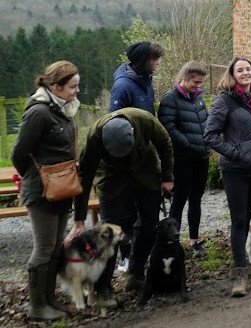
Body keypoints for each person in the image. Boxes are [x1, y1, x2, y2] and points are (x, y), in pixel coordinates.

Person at [67, 107, 173, 304]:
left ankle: (135, 273)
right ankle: (102, 288)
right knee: (107, 232)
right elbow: (85, 176)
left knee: (150, 223)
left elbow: (165, 144)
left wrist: (167, 178)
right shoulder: (94, 138)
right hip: (112, 178)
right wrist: (79, 219)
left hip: (145, 173)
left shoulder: (145, 120)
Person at [12, 61, 80, 321]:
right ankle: (37, 307)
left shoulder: (63, 110)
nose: (77, 91)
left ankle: (50, 299)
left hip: (63, 187)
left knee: (55, 248)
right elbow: (19, 153)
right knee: (43, 247)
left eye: (77, 86)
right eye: (72, 87)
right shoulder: (39, 112)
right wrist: (37, 175)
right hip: (41, 190)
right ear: (55, 86)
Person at [203, 57, 251, 296]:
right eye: (240, 70)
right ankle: (240, 273)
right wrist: (236, 154)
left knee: (246, 217)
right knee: (239, 220)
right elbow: (210, 135)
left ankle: (242, 262)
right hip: (236, 170)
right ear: (232, 75)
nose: (246, 73)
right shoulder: (225, 101)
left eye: (249, 69)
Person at [158, 61, 212, 256]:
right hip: (183, 158)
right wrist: (188, 144)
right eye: (195, 82)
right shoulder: (170, 99)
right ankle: (173, 242)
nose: (198, 86)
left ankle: (194, 240)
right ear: (185, 78)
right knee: (179, 200)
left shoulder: (198, 97)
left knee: (196, 199)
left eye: (200, 83)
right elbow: (168, 126)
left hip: (202, 156)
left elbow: (205, 120)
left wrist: (208, 141)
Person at [110, 41, 164, 114]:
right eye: (154, 59)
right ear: (143, 60)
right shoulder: (122, 86)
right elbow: (114, 121)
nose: (158, 63)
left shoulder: (147, 82)